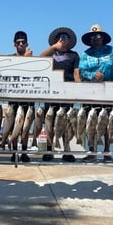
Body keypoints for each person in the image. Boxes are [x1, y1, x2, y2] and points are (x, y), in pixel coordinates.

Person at [79, 24, 113, 162]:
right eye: (92, 36)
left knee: (108, 122)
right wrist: (93, 76)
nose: (95, 38)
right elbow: (82, 72)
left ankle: (107, 151)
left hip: (108, 93)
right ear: (89, 39)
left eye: (98, 36)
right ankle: (91, 151)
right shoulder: (85, 54)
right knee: (90, 123)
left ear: (103, 38)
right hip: (89, 94)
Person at [39, 27, 81, 162]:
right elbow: (39, 58)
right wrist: (54, 47)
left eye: (66, 37)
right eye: (60, 37)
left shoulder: (74, 55)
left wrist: (79, 88)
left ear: (70, 41)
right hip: (50, 93)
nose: (63, 40)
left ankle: (67, 149)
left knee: (67, 123)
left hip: (67, 93)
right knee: (49, 123)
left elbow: (76, 73)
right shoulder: (50, 54)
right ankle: (49, 149)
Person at [8, 31, 34, 163]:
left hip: (28, 99)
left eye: (23, 42)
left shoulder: (33, 59)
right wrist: (26, 59)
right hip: (13, 99)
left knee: (26, 127)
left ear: (27, 44)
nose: (21, 44)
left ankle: (24, 152)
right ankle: (14, 153)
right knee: (13, 126)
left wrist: (29, 59)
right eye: (18, 42)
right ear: (14, 45)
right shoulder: (10, 58)